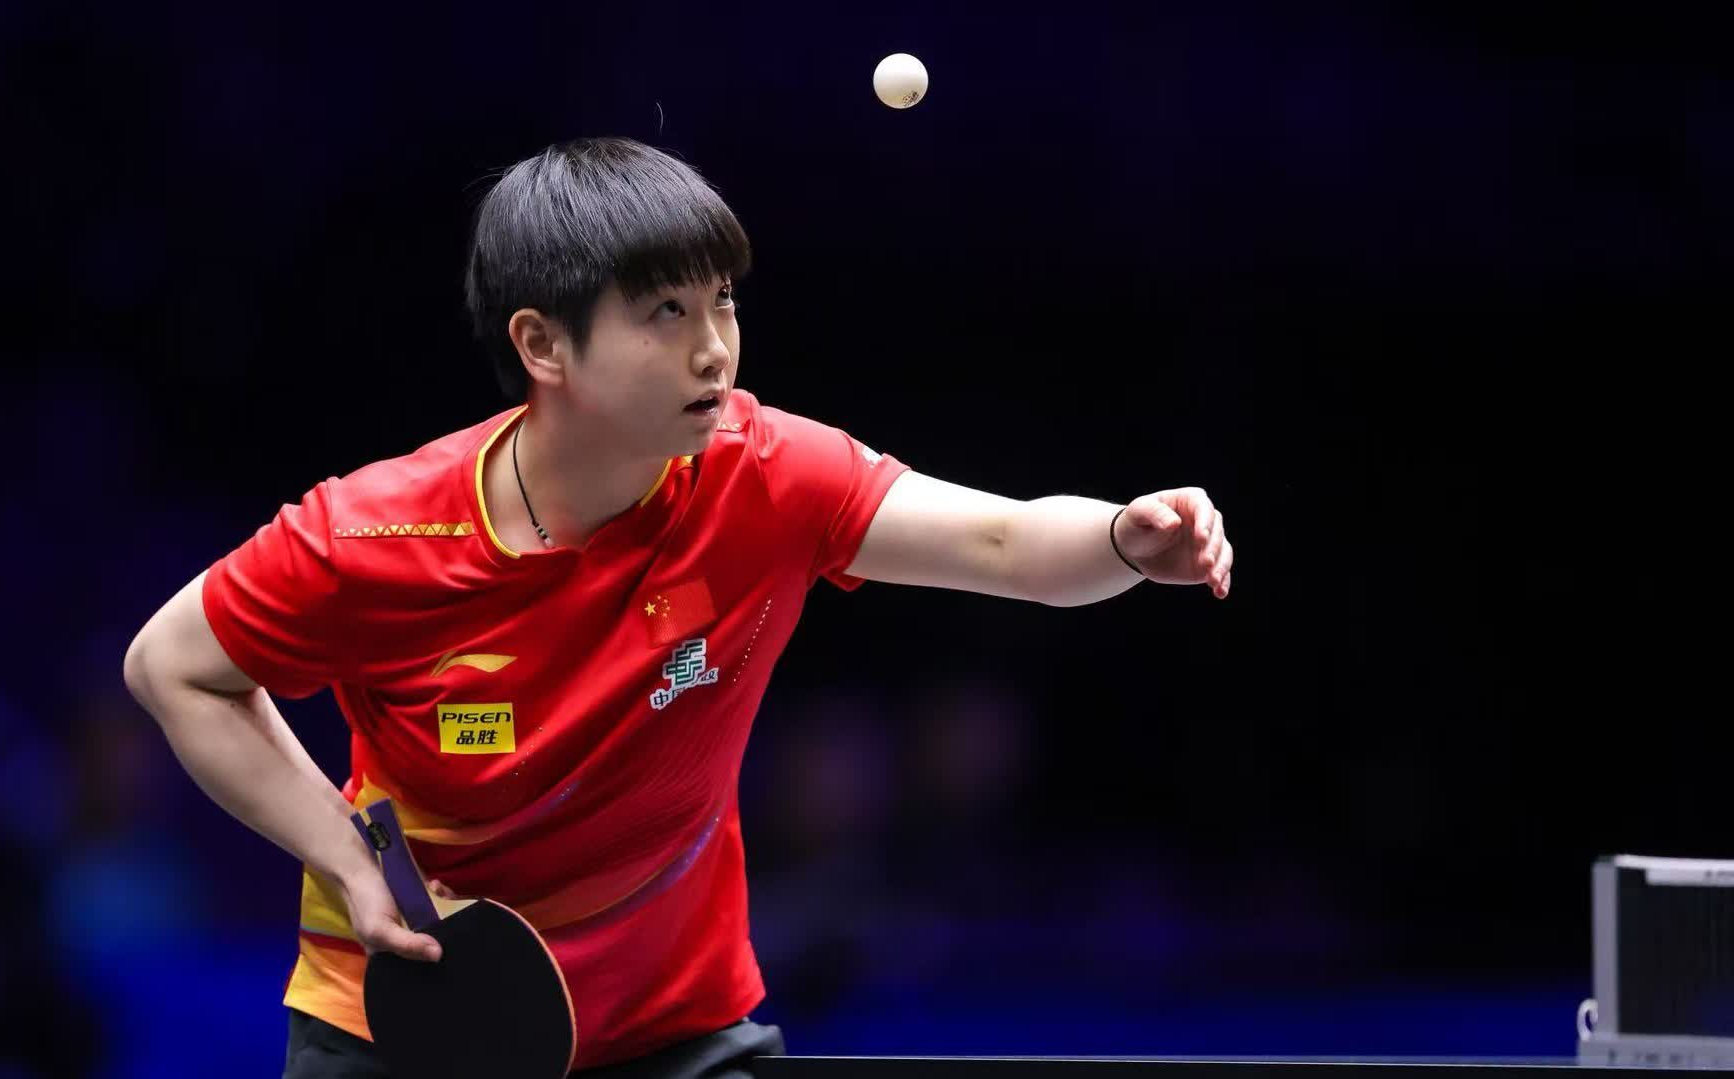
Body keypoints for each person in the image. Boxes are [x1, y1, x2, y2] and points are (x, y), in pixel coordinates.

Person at [123, 136, 1233, 1079]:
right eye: (665, 310)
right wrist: (349, 864)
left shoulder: (766, 475)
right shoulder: (375, 534)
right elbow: (171, 666)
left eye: (723, 301)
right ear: (541, 344)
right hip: (414, 1020)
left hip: (670, 1030)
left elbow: (1007, 542)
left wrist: (1123, 539)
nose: (714, 347)